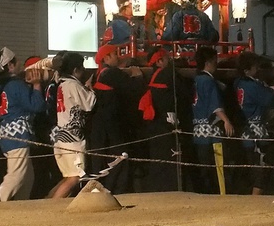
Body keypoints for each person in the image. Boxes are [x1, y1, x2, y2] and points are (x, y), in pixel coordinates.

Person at [0, 47, 45, 201]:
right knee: (16, 176)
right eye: (16, 62)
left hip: (7, 133)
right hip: (17, 135)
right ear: (10, 65)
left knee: (27, 176)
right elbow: (36, 106)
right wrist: (36, 85)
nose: (20, 65)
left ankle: (20, 205)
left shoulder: (2, 86)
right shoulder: (15, 85)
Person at [89, 44, 138, 194]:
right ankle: (116, 190)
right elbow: (133, 90)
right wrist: (138, 76)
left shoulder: (100, 74)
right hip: (112, 126)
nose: (118, 56)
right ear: (106, 58)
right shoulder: (112, 74)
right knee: (119, 158)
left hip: (100, 127)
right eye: (115, 54)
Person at [138, 48, 189, 192]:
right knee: (170, 158)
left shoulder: (150, 75)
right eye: (167, 58)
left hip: (154, 123)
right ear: (159, 61)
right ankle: (171, 190)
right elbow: (184, 93)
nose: (170, 60)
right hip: (167, 121)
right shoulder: (168, 73)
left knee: (158, 159)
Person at [48, 52, 96, 198]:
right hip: (72, 139)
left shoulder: (61, 84)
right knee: (75, 177)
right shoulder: (73, 84)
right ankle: (52, 207)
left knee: (68, 177)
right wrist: (89, 88)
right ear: (75, 70)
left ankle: (48, 201)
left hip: (61, 137)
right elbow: (89, 104)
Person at [191, 45, 234, 194]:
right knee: (218, 168)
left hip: (198, 131)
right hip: (211, 132)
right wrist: (226, 120)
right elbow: (215, 105)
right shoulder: (208, 81)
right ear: (209, 62)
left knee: (205, 169)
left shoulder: (197, 79)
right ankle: (221, 195)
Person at [233, 51, 274, 195]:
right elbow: (270, 101)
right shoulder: (252, 86)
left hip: (245, 133)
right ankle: (255, 200)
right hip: (256, 132)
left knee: (252, 169)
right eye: (255, 67)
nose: (258, 69)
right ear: (247, 70)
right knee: (262, 168)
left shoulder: (237, 83)